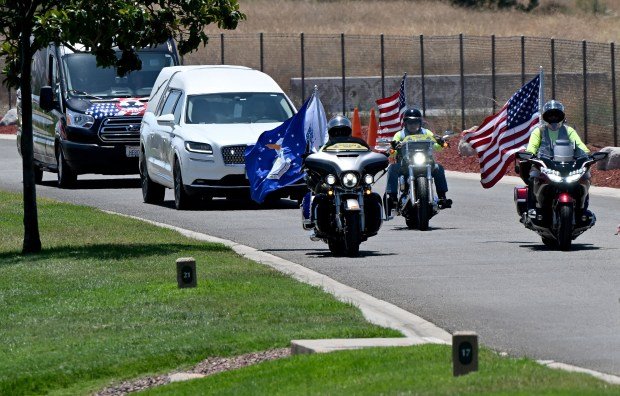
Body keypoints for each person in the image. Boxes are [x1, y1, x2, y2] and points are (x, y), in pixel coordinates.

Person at [524, 99, 591, 216]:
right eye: (550, 115)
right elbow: (532, 148)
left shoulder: (569, 130)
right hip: (544, 165)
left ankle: (583, 210)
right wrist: (530, 154)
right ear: (545, 117)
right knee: (532, 176)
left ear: (562, 116)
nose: (553, 118)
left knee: (584, 177)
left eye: (556, 115)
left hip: (567, 164)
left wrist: (586, 154)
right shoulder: (538, 131)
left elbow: (580, 145)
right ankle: (531, 209)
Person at [384, 107, 451, 210]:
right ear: (405, 123)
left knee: (439, 168)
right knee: (392, 168)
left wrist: (441, 143)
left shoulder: (426, 133)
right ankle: (392, 199)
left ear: (420, 122)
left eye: (415, 122)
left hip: (425, 162)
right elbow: (393, 152)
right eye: (410, 122)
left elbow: (436, 147)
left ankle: (442, 197)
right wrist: (393, 148)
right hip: (405, 165)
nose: (413, 125)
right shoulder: (400, 134)